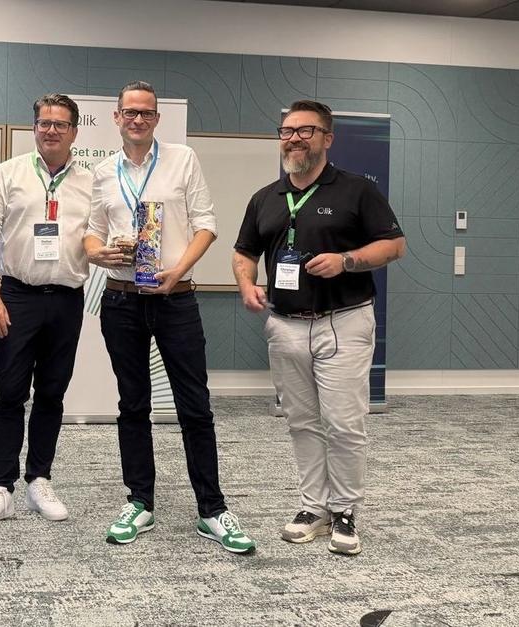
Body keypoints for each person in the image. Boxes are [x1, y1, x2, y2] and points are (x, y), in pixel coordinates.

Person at [83, 80, 255, 552]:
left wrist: (179, 269)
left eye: (146, 113)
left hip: (176, 299)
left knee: (194, 406)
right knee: (132, 405)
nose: (137, 119)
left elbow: (207, 225)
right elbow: (92, 232)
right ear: (117, 117)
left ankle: (212, 509)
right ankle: (140, 502)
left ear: (157, 118)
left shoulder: (182, 159)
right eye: (130, 112)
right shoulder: (103, 171)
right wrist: (97, 253)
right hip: (121, 300)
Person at [232, 100, 406, 556]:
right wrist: (247, 284)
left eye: (305, 131)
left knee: (344, 424)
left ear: (327, 138)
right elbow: (244, 252)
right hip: (285, 326)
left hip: (343, 322)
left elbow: (394, 245)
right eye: (286, 131)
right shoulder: (265, 197)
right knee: (302, 422)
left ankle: (345, 510)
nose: (293, 138)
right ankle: (314, 507)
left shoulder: (357, 191)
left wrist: (346, 260)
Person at [0, 94, 93, 530]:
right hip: (16, 296)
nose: (51, 130)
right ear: (34, 127)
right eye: (44, 123)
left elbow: (95, 238)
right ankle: (1, 488)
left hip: (67, 299)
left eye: (61, 124)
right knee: (9, 393)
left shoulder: (91, 182)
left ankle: (40, 478)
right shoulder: (7, 174)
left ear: (74, 131)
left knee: (52, 393)